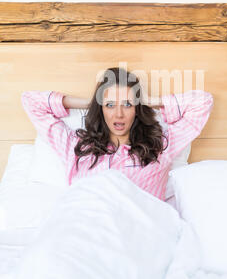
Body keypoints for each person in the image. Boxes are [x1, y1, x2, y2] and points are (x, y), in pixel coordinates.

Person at [21, 67, 214, 201]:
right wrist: (92, 103)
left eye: (128, 105)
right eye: (110, 105)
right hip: (88, 232)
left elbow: (202, 102)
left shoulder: (160, 147)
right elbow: (31, 101)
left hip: (140, 235)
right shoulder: (77, 147)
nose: (118, 114)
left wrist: (146, 100)